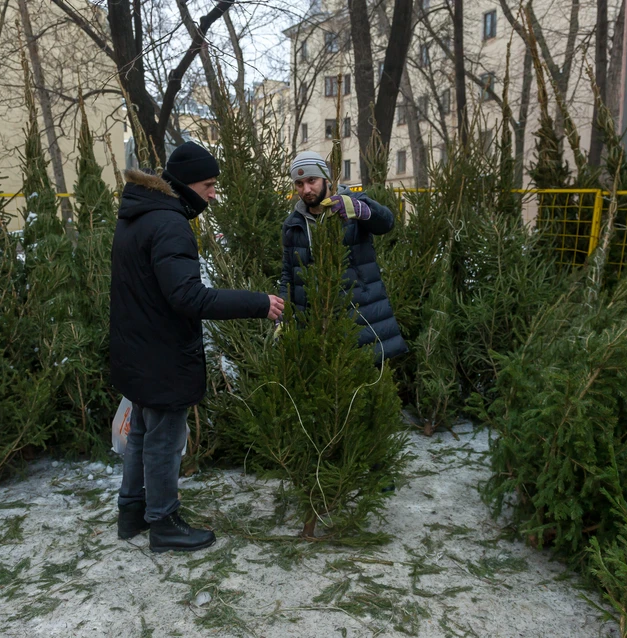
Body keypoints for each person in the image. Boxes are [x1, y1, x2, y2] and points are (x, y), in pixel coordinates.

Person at [110, 141, 285, 553]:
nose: (213, 193)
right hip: (162, 352)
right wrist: (259, 302)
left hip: (137, 347)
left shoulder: (138, 215)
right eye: (208, 185)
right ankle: (164, 522)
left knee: (140, 432)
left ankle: (132, 511)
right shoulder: (169, 224)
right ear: (187, 184)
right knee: (164, 440)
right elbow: (189, 297)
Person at [280, 151, 407, 363]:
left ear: (327, 179)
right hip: (317, 328)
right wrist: (283, 314)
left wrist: (362, 211)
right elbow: (288, 275)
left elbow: (386, 223)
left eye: (312, 180)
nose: (306, 190)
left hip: (362, 319)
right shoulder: (293, 224)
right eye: (299, 184)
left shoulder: (353, 204)